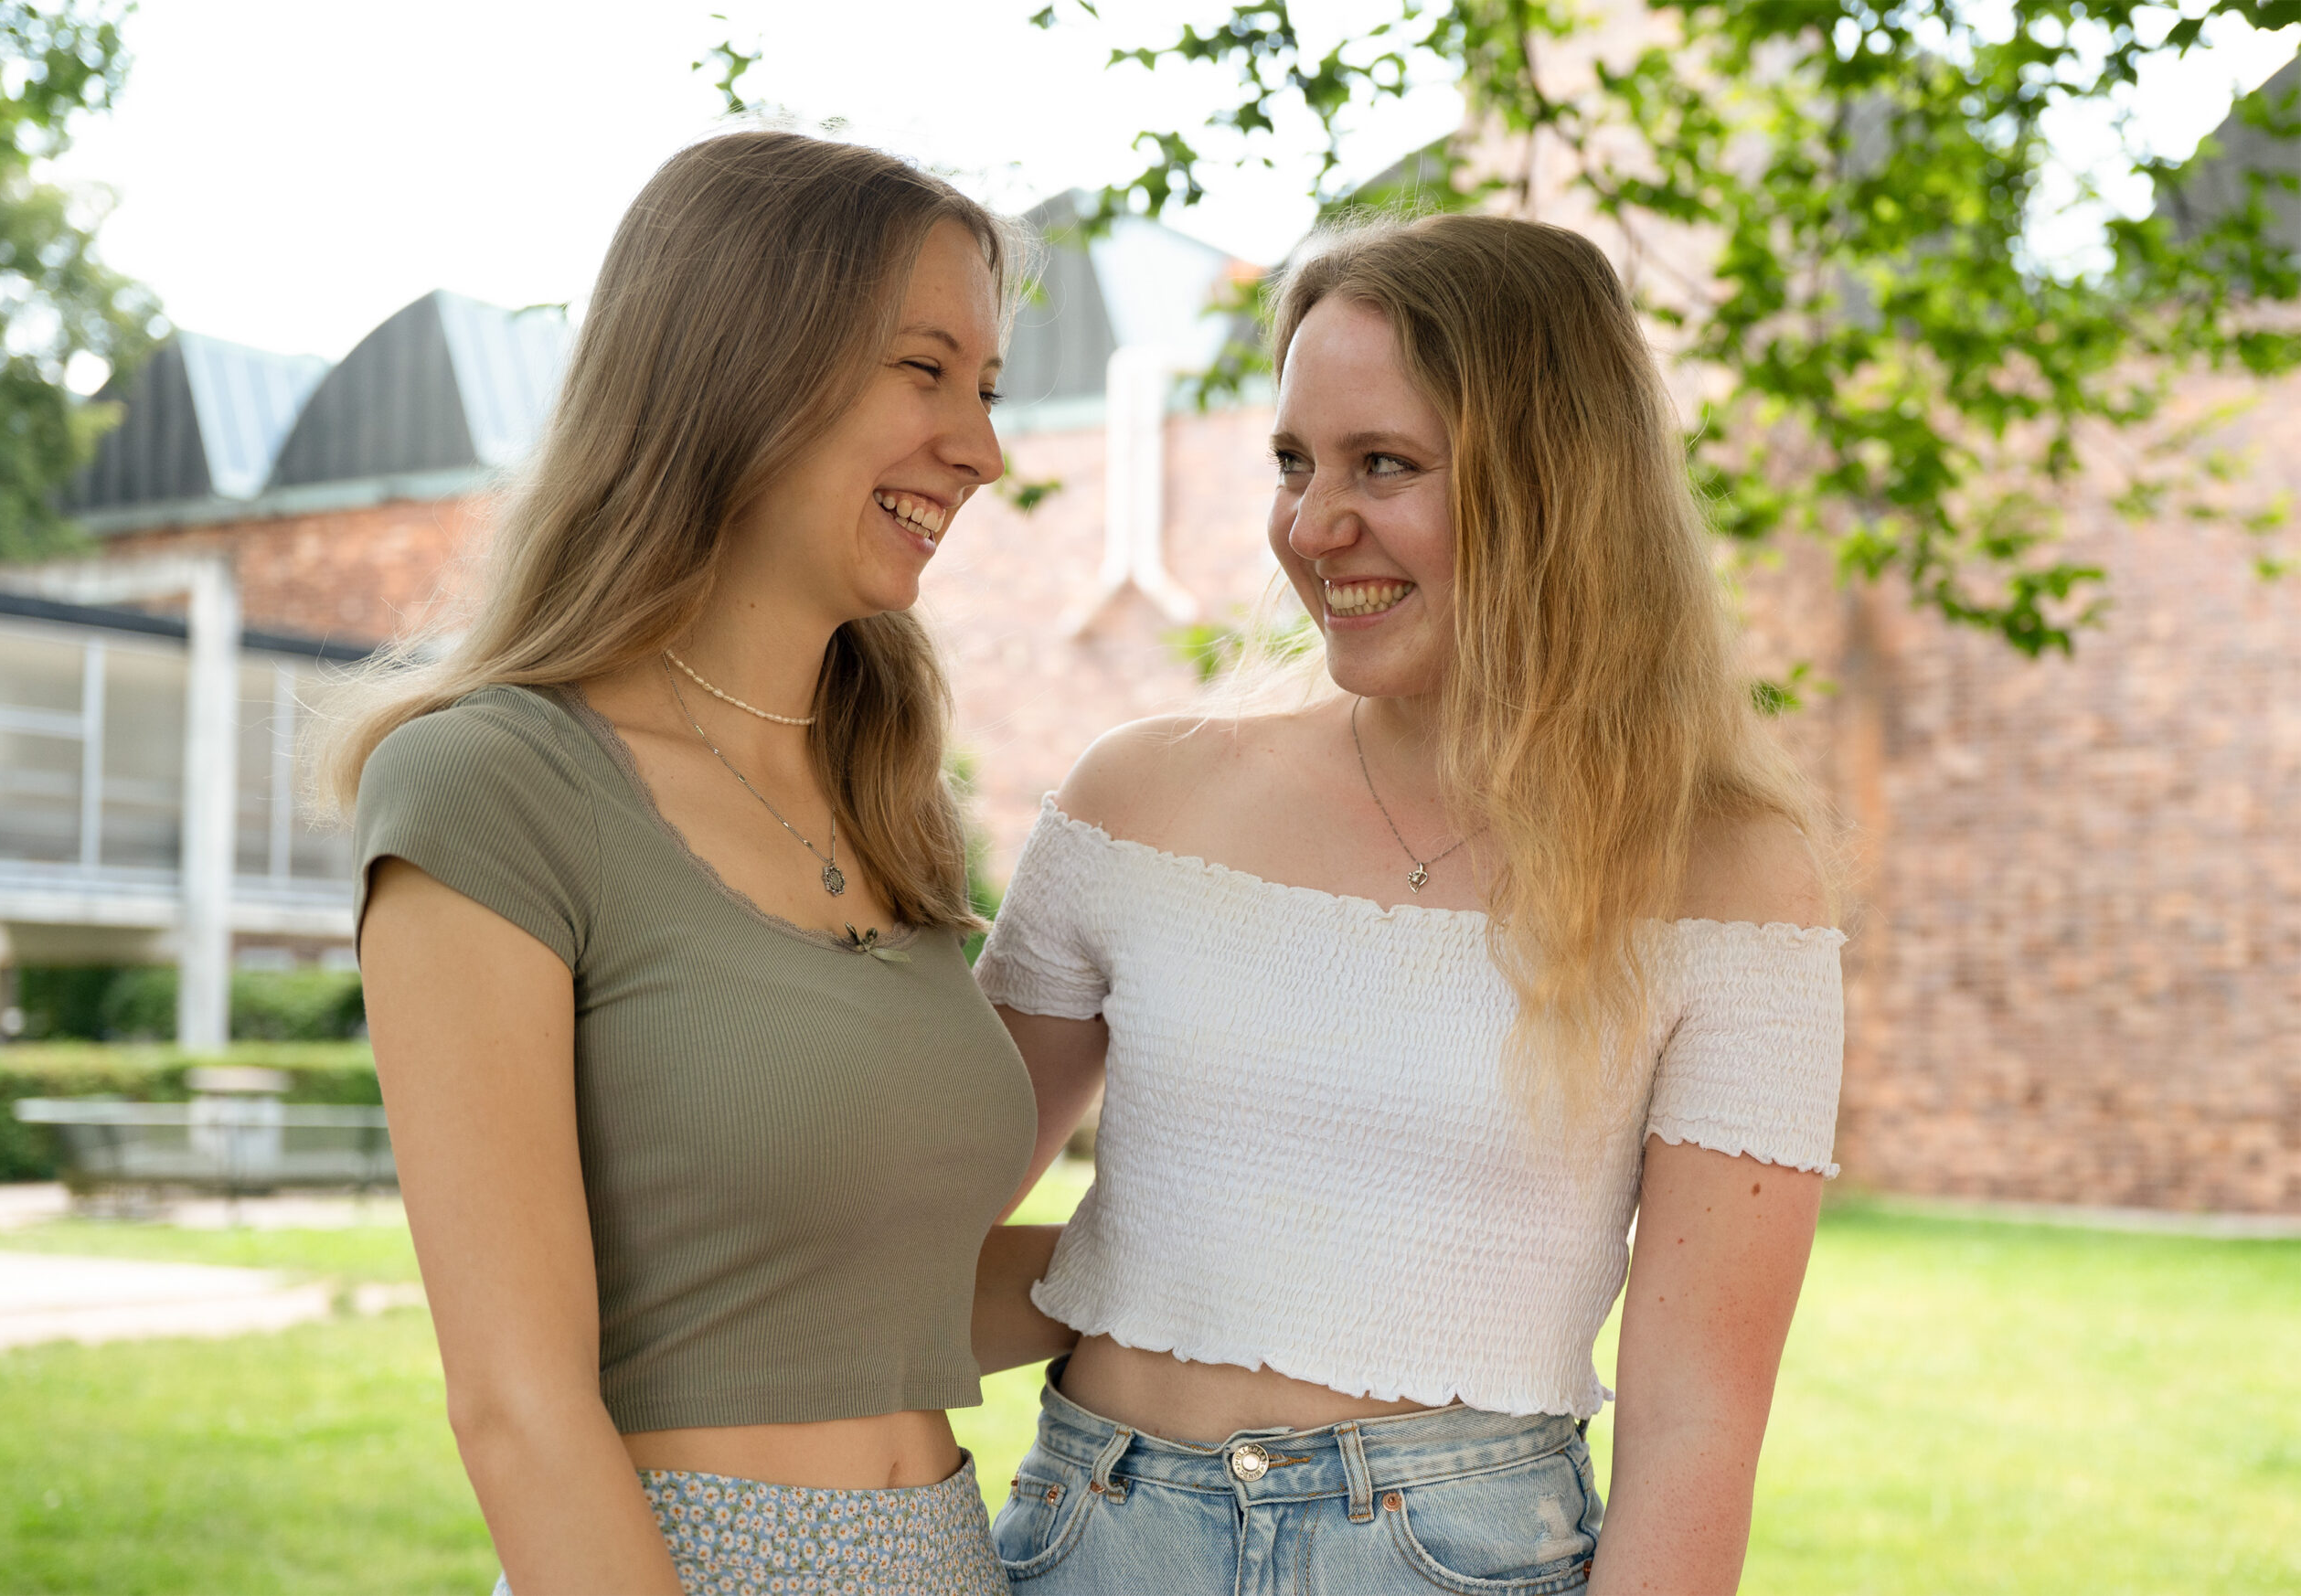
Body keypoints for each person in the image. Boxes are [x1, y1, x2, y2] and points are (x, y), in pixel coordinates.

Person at [972, 213, 1847, 1593]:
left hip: (1459, 1552)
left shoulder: (1731, 880)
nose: (1314, 527)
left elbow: (1696, 1422)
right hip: (1093, 1533)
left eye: (1384, 464)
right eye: (1293, 461)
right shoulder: (1136, 800)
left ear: (1557, 485)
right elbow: (910, 1226)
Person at [336, 131, 1037, 1595]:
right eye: (926, 370)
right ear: (743, 364)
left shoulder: (885, 805)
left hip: (951, 1554)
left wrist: (1255, 1260)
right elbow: (520, 1411)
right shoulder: (491, 784)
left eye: (987, 387)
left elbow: (856, 1290)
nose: (980, 446)